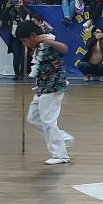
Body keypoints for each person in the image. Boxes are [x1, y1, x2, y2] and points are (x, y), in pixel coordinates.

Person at [15, 21, 74, 165]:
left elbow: (64, 49)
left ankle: (60, 155)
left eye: (24, 41)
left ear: (33, 35)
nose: (24, 44)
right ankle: (62, 138)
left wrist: (47, 40)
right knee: (33, 118)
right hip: (42, 88)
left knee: (48, 120)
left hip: (53, 87)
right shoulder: (37, 47)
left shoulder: (48, 42)